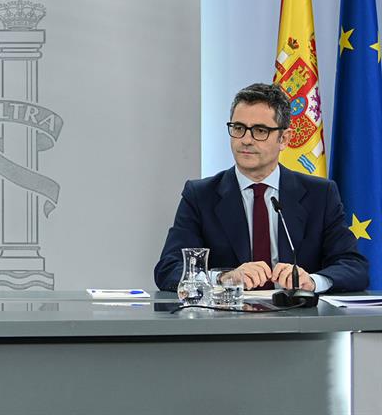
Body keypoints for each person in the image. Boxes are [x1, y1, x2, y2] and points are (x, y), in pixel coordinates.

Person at [155, 82, 368, 293]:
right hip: (226, 322)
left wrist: (311, 282)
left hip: (300, 322)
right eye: (238, 128)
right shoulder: (200, 195)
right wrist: (223, 277)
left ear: (284, 138)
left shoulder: (320, 195)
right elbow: (169, 269)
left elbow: (354, 267)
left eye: (260, 131)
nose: (246, 140)